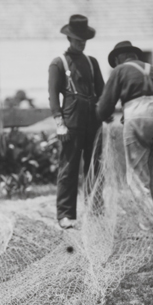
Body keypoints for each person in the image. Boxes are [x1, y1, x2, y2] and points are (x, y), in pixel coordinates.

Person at [95, 40, 153, 229]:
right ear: (134, 55)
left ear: (119, 57)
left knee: (137, 171)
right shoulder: (151, 69)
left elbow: (106, 104)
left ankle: (148, 221)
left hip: (137, 114)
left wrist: (103, 114)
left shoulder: (120, 70)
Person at [48, 14, 105, 229]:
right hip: (71, 121)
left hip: (93, 120)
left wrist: (106, 113)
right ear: (69, 38)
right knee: (69, 168)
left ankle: (95, 210)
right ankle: (65, 214)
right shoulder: (58, 63)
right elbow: (53, 96)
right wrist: (59, 123)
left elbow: (103, 92)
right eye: (78, 40)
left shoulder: (92, 62)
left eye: (84, 40)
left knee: (95, 166)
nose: (82, 43)